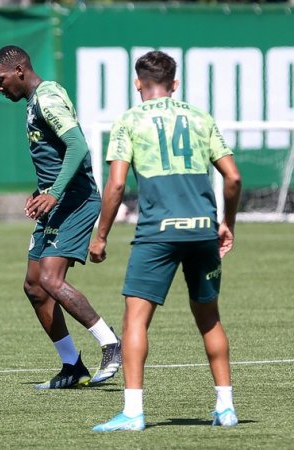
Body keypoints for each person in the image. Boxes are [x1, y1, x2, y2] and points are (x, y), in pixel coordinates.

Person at [90, 51, 242, 432]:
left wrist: (101, 235)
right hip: (202, 230)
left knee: (135, 319)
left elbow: (117, 184)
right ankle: (226, 407)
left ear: (138, 83)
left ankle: (133, 412)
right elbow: (234, 178)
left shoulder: (128, 121)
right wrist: (227, 224)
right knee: (209, 318)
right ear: (175, 85)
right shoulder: (200, 117)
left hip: (157, 232)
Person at [0, 45, 122, 389]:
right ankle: (72, 366)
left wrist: (54, 192)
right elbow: (56, 154)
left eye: (1, 80)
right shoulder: (33, 102)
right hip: (57, 200)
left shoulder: (47, 97)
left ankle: (111, 344)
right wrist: (42, 190)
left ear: (19, 70)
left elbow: (78, 145)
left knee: (50, 279)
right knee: (34, 286)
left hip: (75, 201)